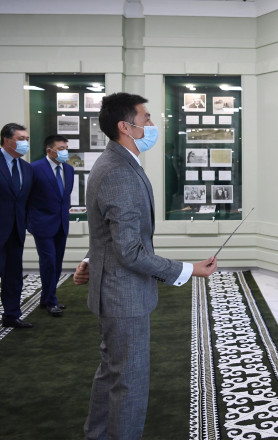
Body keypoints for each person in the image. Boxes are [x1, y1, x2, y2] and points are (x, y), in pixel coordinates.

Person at [73, 92, 218, 440]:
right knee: (129, 381)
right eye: (147, 118)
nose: (152, 125)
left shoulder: (115, 163)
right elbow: (130, 251)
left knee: (112, 372)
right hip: (123, 296)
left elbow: (109, 232)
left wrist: (91, 259)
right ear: (126, 126)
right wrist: (188, 270)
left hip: (115, 290)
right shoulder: (118, 171)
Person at [27, 134, 75, 317]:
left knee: (57, 263)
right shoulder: (35, 168)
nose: (65, 152)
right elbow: (27, 198)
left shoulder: (69, 169)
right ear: (49, 150)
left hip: (61, 223)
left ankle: (46, 298)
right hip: (42, 224)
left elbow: (65, 197)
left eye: (66, 148)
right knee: (48, 262)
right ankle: (51, 301)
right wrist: (29, 222)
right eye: (61, 149)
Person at [0, 123, 34, 328]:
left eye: (27, 139)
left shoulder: (26, 168)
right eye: (21, 139)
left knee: (13, 275)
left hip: (16, 230)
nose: (25, 143)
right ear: (6, 140)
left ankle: (11, 315)